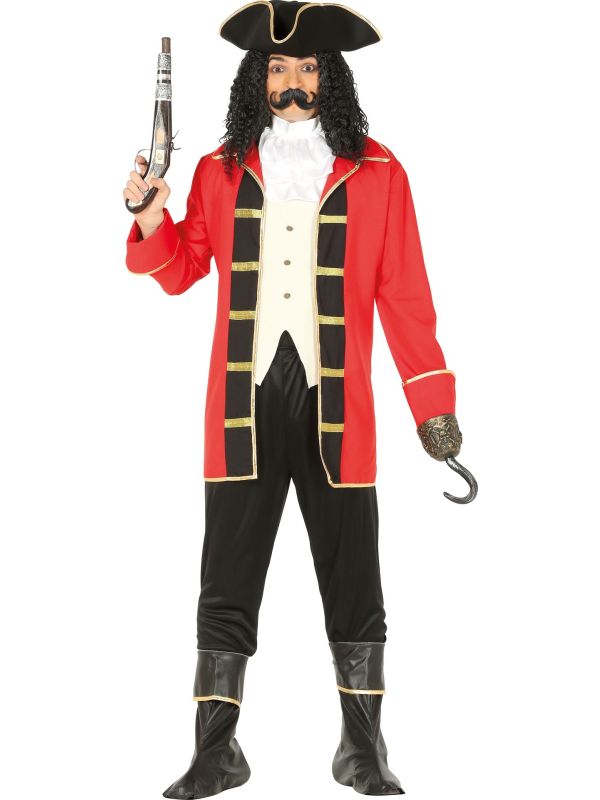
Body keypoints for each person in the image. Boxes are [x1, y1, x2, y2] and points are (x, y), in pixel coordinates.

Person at [123, 2, 475, 797]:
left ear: (331, 77)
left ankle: (362, 748)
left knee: (355, 580)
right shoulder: (218, 171)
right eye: (278, 68)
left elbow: (406, 298)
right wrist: (150, 216)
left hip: (337, 411)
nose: (292, 83)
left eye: (307, 68)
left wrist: (433, 407)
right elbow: (180, 271)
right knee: (226, 578)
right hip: (241, 411)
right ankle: (216, 751)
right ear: (257, 77)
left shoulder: (380, 173)